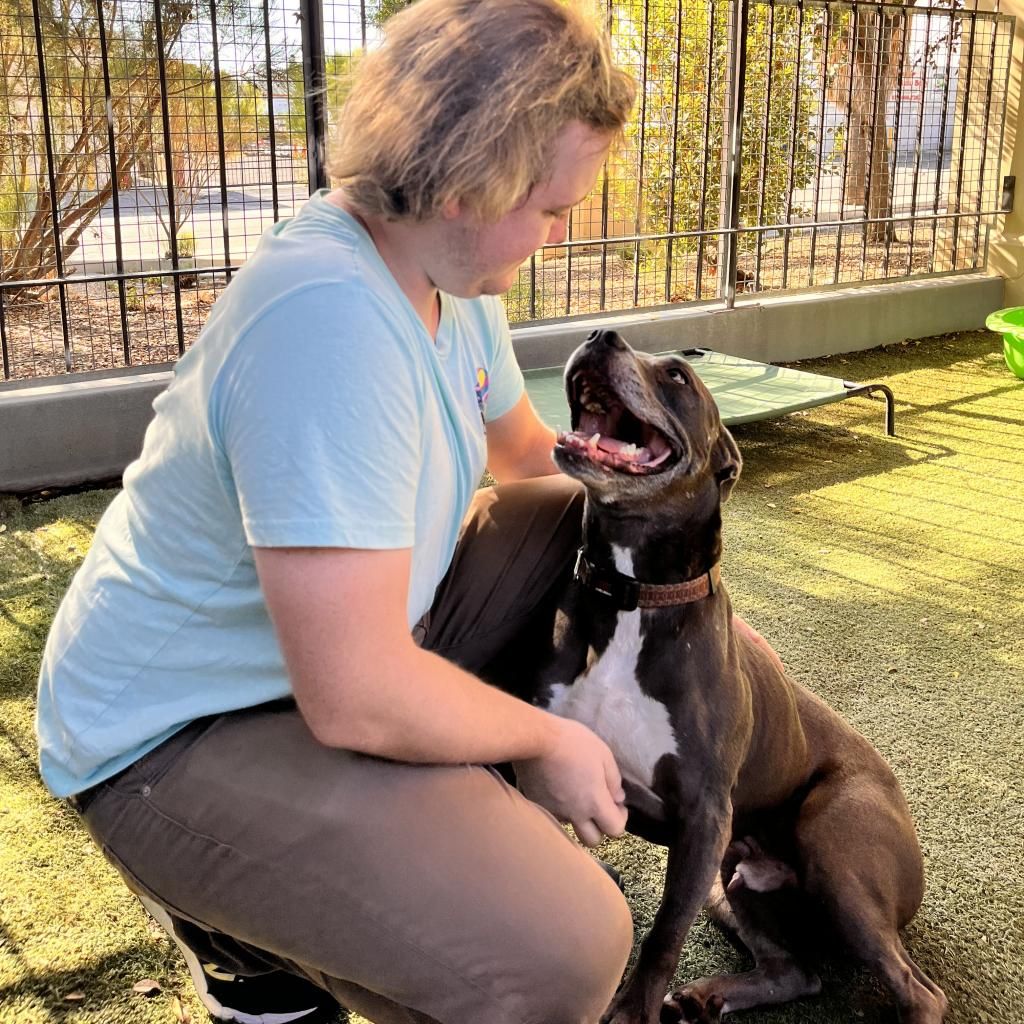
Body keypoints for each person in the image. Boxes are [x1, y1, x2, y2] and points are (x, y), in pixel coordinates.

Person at [36, 2, 639, 1023]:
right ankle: (240, 934)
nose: (563, 230)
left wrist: (671, 571)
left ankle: (389, 850)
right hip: (180, 733)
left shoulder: (449, 268)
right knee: (565, 954)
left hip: (325, 659)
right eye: (549, 208)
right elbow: (355, 693)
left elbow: (526, 458)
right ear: (466, 185)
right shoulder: (327, 317)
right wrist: (546, 740)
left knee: (574, 519)